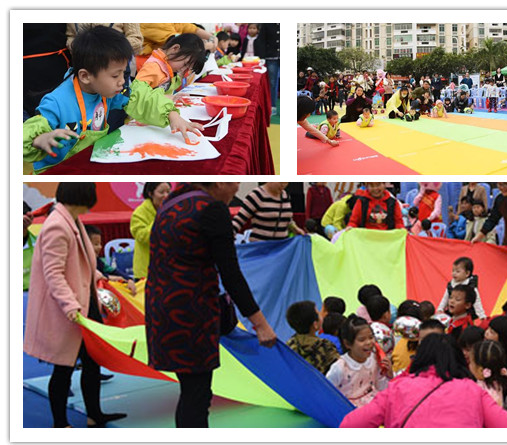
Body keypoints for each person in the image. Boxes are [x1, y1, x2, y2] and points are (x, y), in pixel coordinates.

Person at [145, 183, 277, 428]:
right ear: (219, 182)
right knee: (197, 395)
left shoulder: (173, 201)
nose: (237, 188)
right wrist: (260, 324)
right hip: (190, 313)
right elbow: (231, 273)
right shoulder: (212, 209)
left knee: (190, 391)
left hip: (160, 306)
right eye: (235, 182)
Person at [23, 27, 203, 174]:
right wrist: (38, 140)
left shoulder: (109, 90)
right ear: (85, 76)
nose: (122, 81)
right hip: (58, 170)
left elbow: (139, 97)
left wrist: (171, 114)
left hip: (90, 162)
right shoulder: (57, 103)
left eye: (123, 73)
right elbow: (24, 135)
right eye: (115, 75)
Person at [24, 183, 127, 428]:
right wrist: (70, 306)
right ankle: (60, 423)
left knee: (92, 363)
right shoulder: (58, 225)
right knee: (64, 368)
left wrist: (104, 277)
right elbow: (54, 273)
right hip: (69, 310)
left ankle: (94, 414)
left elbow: (83, 265)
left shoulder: (71, 220)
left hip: (84, 303)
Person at [340, 333, 507, 428]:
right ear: (458, 359)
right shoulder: (472, 389)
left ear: (420, 357)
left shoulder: (398, 388)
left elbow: (350, 425)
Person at [327, 315, 391, 408]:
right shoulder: (341, 367)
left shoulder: (374, 359)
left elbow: (381, 386)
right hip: (349, 409)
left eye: (371, 337)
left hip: (373, 404)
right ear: (347, 343)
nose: (369, 342)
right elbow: (327, 392)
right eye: (362, 339)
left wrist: (388, 374)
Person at [232, 182, 306, 241]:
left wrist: (295, 228)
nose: (283, 185)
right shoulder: (257, 195)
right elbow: (239, 220)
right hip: (261, 247)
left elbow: (286, 218)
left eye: (286, 182)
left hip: (282, 248)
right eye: (280, 182)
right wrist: (228, 236)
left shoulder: (285, 196)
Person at [285, 300, 339, 374]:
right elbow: (339, 370)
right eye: (318, 313)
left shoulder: (289, 345)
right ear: (315, 325)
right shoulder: (325, 346)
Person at [131, 182, 171, 280]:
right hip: (146, 271)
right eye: (161, 192)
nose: (166, 196)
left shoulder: (172, 210)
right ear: (150, 193)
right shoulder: (139, 213)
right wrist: (159, 219)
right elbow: (142, 237)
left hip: (169, 269)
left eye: (168, 192)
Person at [86, 225, 137, 295]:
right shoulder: (80, 263)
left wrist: (129, 279)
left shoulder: (98, 261)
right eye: (96, 244)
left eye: (100, 244)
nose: (100, 247)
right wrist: (108, 277)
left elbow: (113, 271)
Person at [469, 340, 507, 407]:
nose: (469, 365)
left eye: (470, 362)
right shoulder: (497, 382)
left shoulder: (483, 393)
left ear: (480, 370)